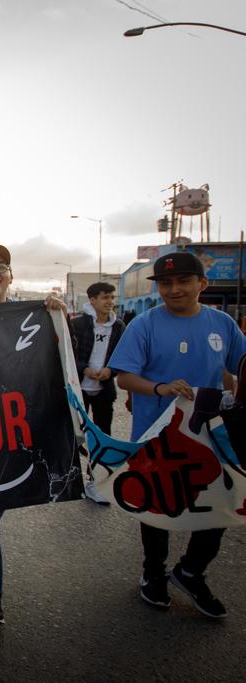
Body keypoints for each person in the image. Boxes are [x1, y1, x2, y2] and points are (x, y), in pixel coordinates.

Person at [109, 252, 246, 619]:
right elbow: (125, 377)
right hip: (157, 434)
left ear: (202, 284)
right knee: (157, 506)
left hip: (213, 435)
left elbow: (238, 369)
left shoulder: (223, 324)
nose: (174, 289)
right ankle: (153, 573)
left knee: (219, 504)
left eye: (183, 281)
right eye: (166, 283)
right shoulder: (144, 324)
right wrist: (161, 388)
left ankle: (191, 572)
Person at [0, 243, 67, 627]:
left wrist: (56, 317)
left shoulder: (34, 316)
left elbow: (59, 364)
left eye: (1, 266)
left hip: (17, 426)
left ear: (10, 278)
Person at [69, 281, 125, 504]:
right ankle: (70, 481)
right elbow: (68, 353)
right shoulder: (79, 324)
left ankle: (96, 483)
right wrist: (85, 369)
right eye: (104, 297)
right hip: (78, 389)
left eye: (112, 297)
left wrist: (111, 371)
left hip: (103, 390)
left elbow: (122, 356)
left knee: (102, 437)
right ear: (92, 300)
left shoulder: (118, 326)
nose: (109, 302)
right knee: (74, 436)